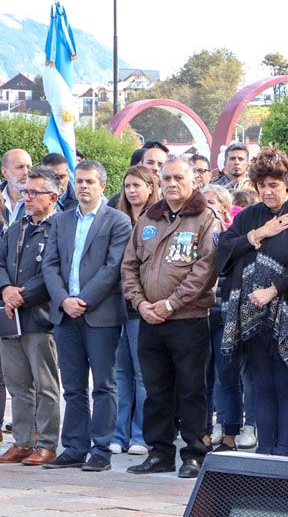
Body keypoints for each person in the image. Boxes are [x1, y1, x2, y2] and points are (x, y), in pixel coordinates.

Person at [218, 148, 288, 456]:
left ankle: (285, 452)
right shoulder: (251, 216)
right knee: (261, 386)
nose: (267, 191)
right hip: (254, 319)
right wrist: (258, 234)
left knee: (287, 386)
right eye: (262, 185)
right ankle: (265, 451)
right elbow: (224, 249)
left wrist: (272, 290)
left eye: (274, 185)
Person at [122, 156, 222, 478]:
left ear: (194, 180)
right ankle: (159, 452)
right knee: (156, 389)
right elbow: (129, 266)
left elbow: (205, 269)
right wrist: (140, 304)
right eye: (166, 179)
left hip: (188, 318)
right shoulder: (148, 219)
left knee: (192, 388)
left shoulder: (206, 218)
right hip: (149, 319)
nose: (172, 184)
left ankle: (194, 453)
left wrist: (170, 304)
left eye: (179, 177)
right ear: (159, 183)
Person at [42, 160, 132, 472]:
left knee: (104, 384)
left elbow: (113, 268)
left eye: (89, 182)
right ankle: (74, 447)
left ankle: (101, 450)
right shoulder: (61, 221)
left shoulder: (118, 221)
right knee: (73, 386)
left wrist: (83, 299)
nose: (82, 186)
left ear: (102, 185)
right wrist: (65, 300)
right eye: (79, 181)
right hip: (66, 315)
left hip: (100, 314)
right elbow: (50, 265)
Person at [0, 167, 62, 466]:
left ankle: (47, 443)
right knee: (17, 383)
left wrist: (21, 294)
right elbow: (0, 260)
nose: (27, 197)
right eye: (25, 191)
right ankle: (23, 442)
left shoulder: (59, 227)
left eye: (34, 193)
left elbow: (53, 270)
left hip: (39, 316)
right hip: (9, 317)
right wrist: (5, 289)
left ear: (52, 196)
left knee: (45, 384)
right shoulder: (17, 225)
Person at [110, 166, 161, 457]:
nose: (131, 191)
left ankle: (141, 434)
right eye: (127, 185)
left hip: (142, 306)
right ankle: (119, 433)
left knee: (143, 375)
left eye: (137, 185)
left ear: (151, 187)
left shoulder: (158, 220)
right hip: (115, 307)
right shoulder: (116, 218)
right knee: (121, 373)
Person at [1, 148, 32, 224]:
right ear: (5, 172)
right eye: (20, 167)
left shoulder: (40, 200)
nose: (26, 172)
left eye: (28, 167)